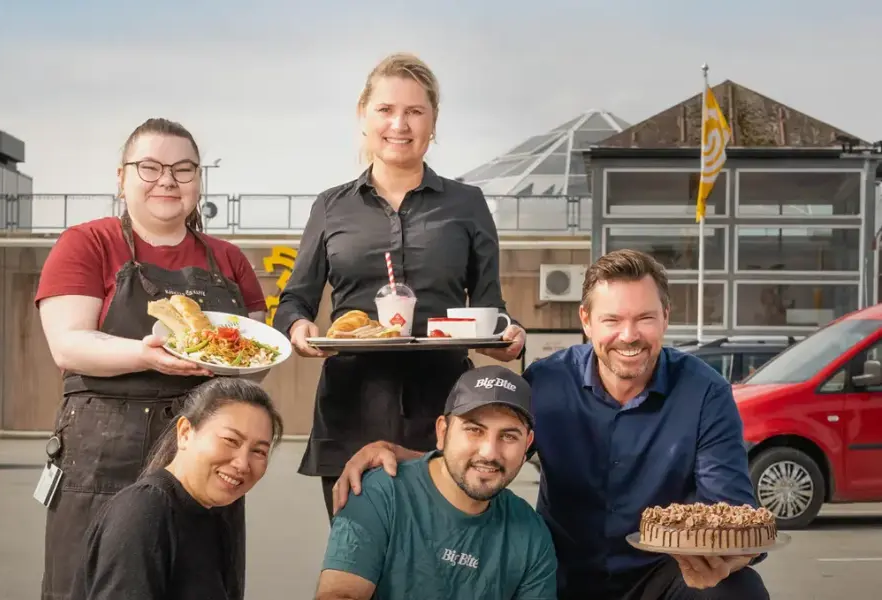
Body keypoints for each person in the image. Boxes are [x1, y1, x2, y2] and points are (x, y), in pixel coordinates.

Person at [332, 250, 772, 600]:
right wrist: (399, 454)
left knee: (738, 591)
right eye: (612, 320)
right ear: (586, 321)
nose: (629, 335)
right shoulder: (547, 381)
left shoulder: (705, 393)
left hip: (665, 575)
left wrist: (732, 558)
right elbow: (493, 448)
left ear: (665, 318)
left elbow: (732, 513)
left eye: (645, 318)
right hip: (557, 572)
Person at [272, 52, 526, 519]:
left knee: (438, 569)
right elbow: (294, 300)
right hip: (351, 410)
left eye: (414, 111)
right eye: (386, 110)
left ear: (433, 123)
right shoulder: (331, 207)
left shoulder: (467, 205)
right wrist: (299, 328)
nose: (400, 124)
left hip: (447, 414)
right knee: (358, 567)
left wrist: (509, 337)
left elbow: (492, 307)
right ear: (363, 117)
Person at [34, 117, 268, 600]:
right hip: (104, 453)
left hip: (205, 458)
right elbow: (68, 343)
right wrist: (145, 354)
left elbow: (258, 351)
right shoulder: (86, 243)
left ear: (199, 181)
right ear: (121, 178)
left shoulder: (229, 259)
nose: (167, 179)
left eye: (184, 169)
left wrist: (231, 363)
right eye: (150, 167)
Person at [315, 365, 556, 600]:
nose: (489, 452)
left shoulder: (531, 534)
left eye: (508, 436)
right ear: (443, 432)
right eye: (474, 430)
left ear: (527, 444)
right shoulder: (380, 494)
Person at [70, 377, 284, 600]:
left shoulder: (218, 514)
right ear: (185, 433)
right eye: (230, 440)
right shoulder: (143, 510)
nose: (242, 463)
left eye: (259, 451)